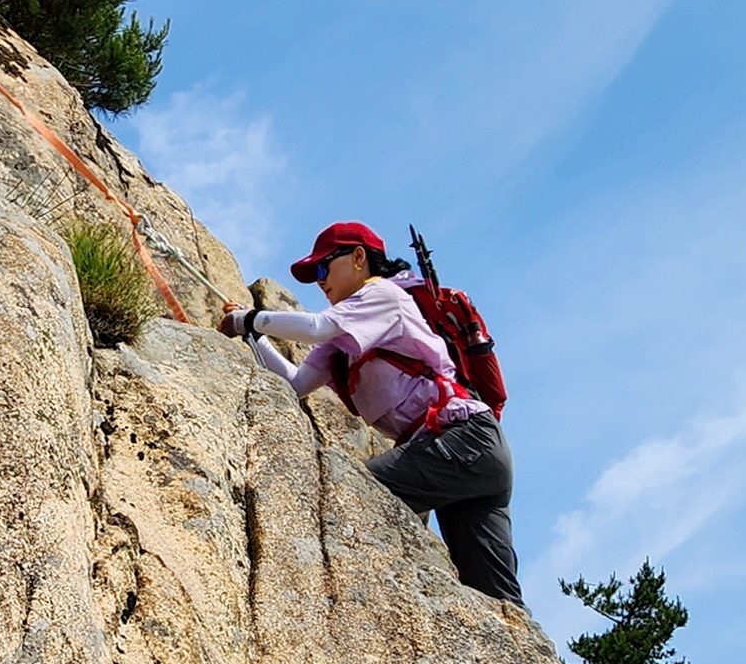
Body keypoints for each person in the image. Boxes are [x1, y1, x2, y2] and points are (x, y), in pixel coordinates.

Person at [217, 222, 520, 603]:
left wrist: (248, 319)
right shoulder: (343, 339)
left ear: (359, 257)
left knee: (351, 495)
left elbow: (317, 326)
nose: (320, 281)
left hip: (459, 442)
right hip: (475, 453)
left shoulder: (382, 294)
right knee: (494, 596)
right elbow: (296, 385)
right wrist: (254, 337)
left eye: (323, 268)